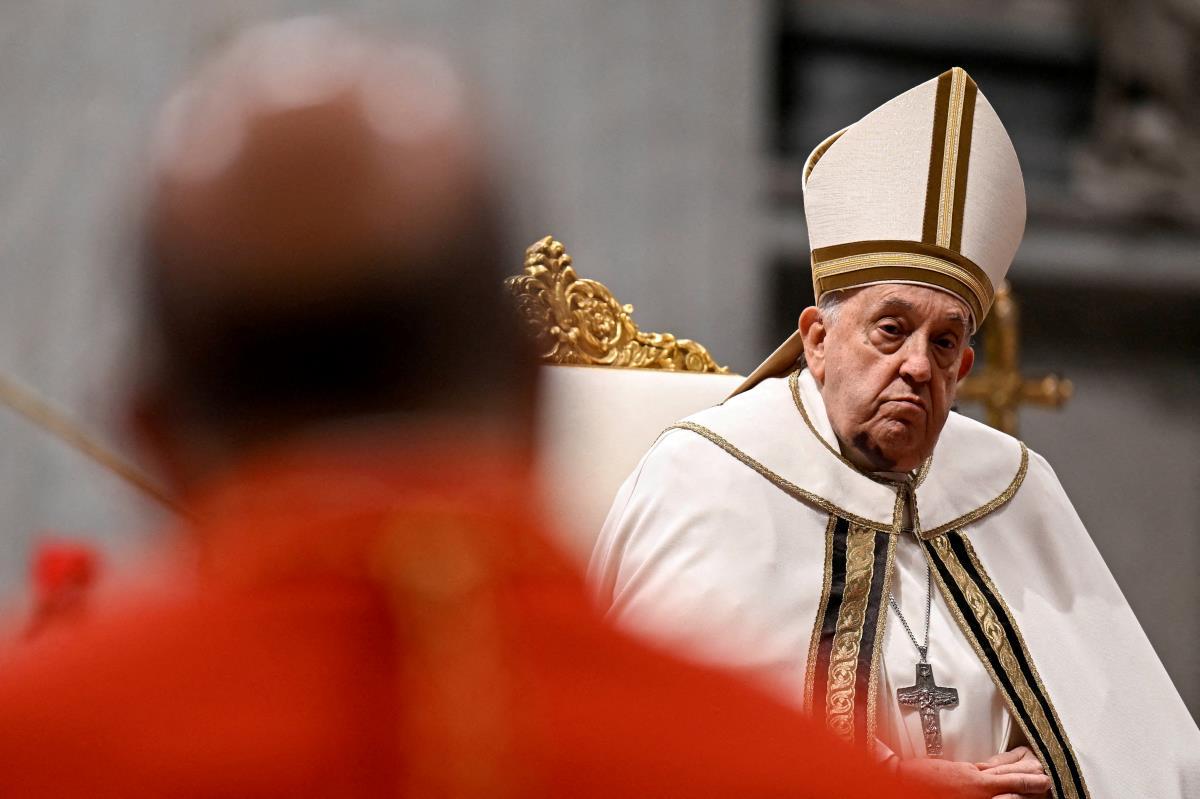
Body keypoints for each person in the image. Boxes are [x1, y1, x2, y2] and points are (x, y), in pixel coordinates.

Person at [0, 18, 925, 799]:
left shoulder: (37, 747)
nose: (921, 371)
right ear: (535, 393)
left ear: (150, 432)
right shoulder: (804, 774)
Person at [591, 67, 1200, 798]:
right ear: (816, 338)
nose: (918, 365)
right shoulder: (710, 480)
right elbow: (665, 745)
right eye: (891, 328)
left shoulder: (1011, 487)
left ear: (966, 366)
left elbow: (1144, 755)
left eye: (945, 343)